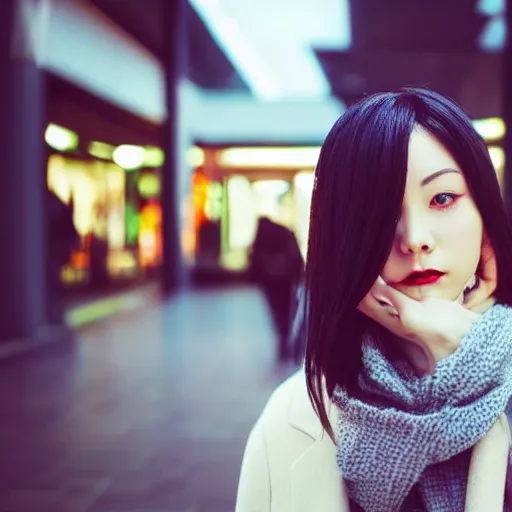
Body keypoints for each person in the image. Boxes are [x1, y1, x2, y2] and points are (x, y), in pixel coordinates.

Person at [235, 87, 512, 511]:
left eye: (442, 198)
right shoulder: (291, 421)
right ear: (341, 238)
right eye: (380, 213)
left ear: (485, 220)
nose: (415, 240)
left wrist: (473, 355)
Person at [249, 216, 304, 360]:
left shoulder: (262, 237)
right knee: (287, 312)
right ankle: (289, 341)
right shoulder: (284, 232)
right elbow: (295, 256)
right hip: (284, 281)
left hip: (271, 282)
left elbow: (255, 260)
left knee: (279, 313)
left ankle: (285, 340)